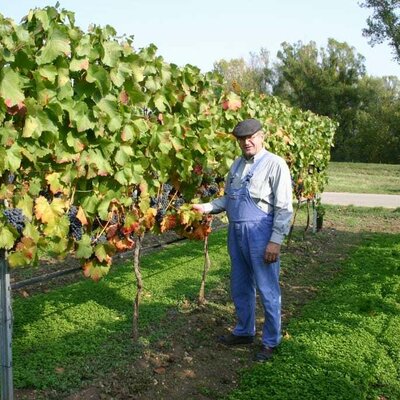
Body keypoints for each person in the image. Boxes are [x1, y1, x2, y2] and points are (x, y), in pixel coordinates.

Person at [192, 118, 293, 361]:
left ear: (262, 137)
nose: (246, 142)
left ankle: (271, 341)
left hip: (261, 233)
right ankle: (244, 331)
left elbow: (284, 207)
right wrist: (204, 207)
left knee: (267, 288)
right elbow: (228, 200)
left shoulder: (275, 164)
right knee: (240, 286)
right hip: (236, 235)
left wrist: (275, 241)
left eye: (251, 137)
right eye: (241, 139)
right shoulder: (236, 166)